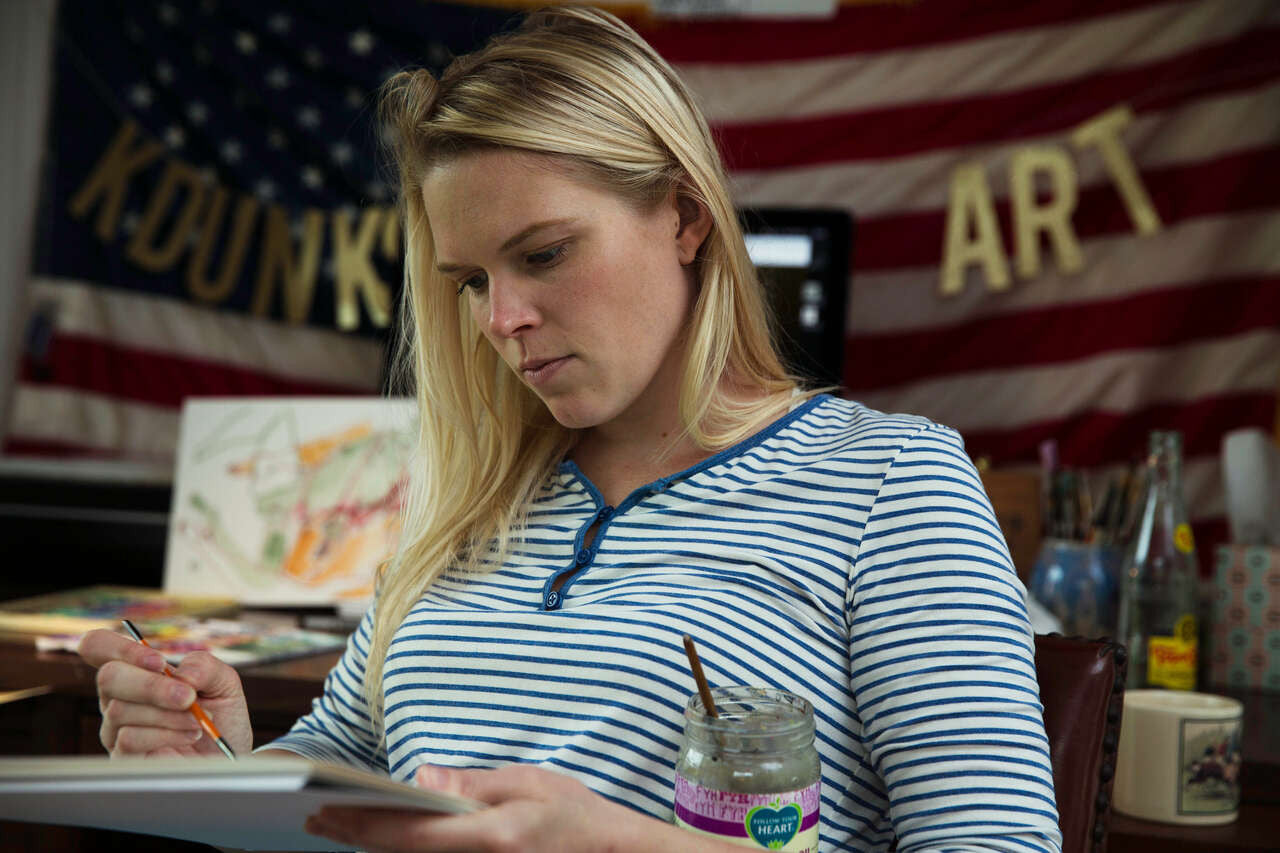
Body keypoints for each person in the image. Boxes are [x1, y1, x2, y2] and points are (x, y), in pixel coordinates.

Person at [78, 6, 1062, 852]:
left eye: (542, 254)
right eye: (469, 282)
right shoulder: (469, 497)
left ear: (684, 216)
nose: (499, 319)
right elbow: (339, 791)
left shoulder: (887, 479)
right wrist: (221, 759)